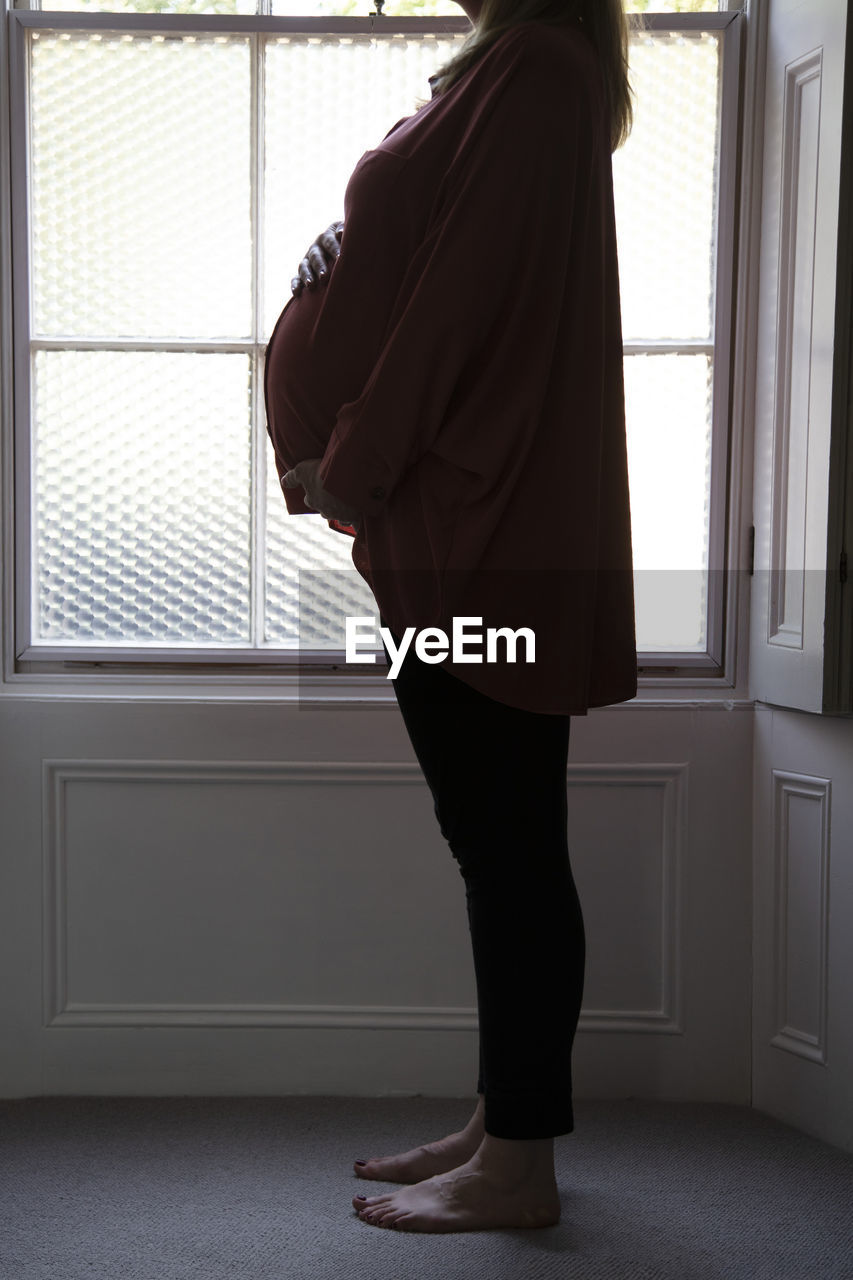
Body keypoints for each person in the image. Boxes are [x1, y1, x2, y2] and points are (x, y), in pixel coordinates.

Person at [264, 0, 638, 1234]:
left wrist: (353, 465)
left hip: (485, 545)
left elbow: (453, 310)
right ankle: (503, 1117)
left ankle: (520, 1163)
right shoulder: (513, 72)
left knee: (511, 842)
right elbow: (430, 275)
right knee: (495, 838)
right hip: (450, 533)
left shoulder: (535, 68)